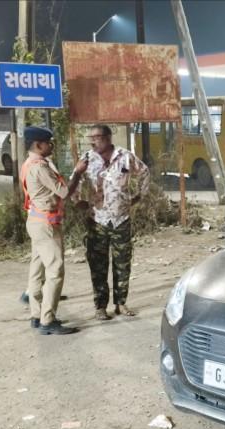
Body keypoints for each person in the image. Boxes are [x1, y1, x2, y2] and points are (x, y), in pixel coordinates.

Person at [74, 125, 149, 320]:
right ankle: (100, 306)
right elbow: (76, 179)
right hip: (97, 219)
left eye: (96, 137)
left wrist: (139, 196)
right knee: (98, 265)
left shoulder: (125, 157)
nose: (92, 141)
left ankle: (120, 303)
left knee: (122, 263)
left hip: (121, 219)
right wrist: (77, 200)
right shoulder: (87, 158)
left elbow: (144, 172)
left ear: (107, 138)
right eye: (90, 138)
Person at [21, 126, 87, 335]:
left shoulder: (29, 163)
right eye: (48, 143)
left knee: (37, 268)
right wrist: (78, 172)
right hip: (46, 225)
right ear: (38, 145)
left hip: (36, 221)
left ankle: (36, 315)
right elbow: (64, 192)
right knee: (55, 271)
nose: (51, 146)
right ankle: (47, 320)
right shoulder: (40, 167)